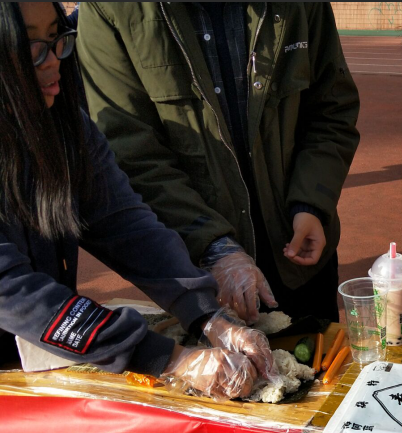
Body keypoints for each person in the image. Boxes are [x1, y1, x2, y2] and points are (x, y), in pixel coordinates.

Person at [0, 1, 274, 401]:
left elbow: (125, 225)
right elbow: (12, 291)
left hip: (35, 357)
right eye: (31, 46)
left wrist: (205, 314)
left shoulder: (65, 127)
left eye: (56, 38)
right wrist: (170, 358)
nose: (53, 59)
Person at [76, 3, 360, 324]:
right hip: (201, 273)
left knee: (320, 353)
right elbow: (132, 153)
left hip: (300, 255)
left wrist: (311, 203)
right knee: (220, 357)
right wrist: (213, 247)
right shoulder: (109, 9)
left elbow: (331, 109)